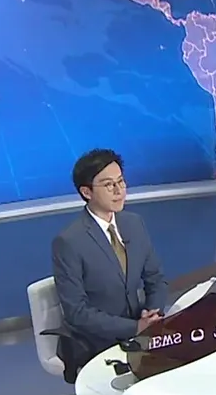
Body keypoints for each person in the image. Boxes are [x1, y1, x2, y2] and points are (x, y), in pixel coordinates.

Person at [51, 149, 169, 382]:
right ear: (86, 192)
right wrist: (135, 328)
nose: (119, 190)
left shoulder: (134, 223)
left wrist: (152, 313)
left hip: (141, 331)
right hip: (95, 341)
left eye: (121, 181)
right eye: (108, 185)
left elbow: (155, 278)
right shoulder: (69, 242)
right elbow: (77, 312)